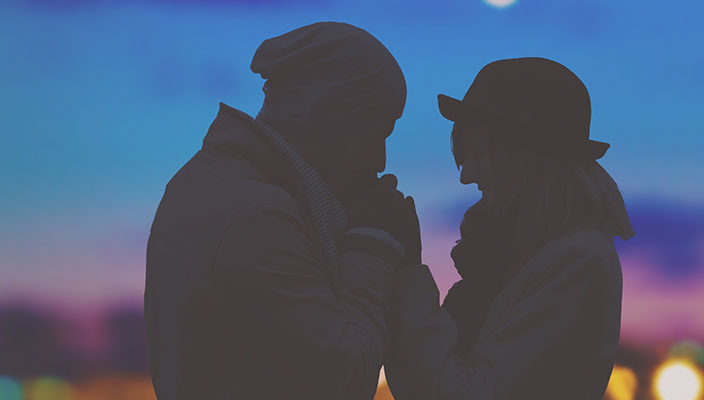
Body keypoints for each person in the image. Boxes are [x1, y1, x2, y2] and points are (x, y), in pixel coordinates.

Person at [144, 22, 420, 400]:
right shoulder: (258, 218)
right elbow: (342, 382)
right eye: (376, 133)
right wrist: (374, 247)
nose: (380, 159)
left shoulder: (226, 187)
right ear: (328, 115)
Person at [385, 57, 634, 400]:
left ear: (525, 158)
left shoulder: (578, 262)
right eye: (464, 157)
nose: (466, 175)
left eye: (479, 154)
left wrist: (408, 273)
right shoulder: (511, 259)